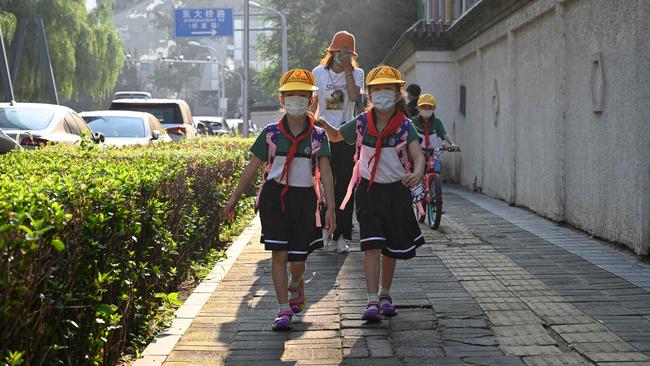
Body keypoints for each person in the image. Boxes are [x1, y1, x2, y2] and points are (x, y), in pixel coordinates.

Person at [225, 69, 336, 331]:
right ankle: (283, 309)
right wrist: (234, 197)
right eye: (291, 94)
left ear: (311, 99)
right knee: (279, 253)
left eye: (302, 95)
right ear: (281, 99)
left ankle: (296, 284)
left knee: (298, 259)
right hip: (274, 198)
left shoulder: (318, 136)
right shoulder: (271, 134)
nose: (296, 99)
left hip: (305, 199)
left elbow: (327, 173)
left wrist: (331, 207)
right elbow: (252, 167)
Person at [315, 65, 425, 322]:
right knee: (372, 245)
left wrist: (417, 174)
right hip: (368, 191)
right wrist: (321, 124)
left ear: (398, 95)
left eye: (388, 89)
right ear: (370, 94)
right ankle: (372, 300)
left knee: (390, 248)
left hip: (397, 193)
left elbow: (417, 156)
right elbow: (337, 137)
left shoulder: (405, 126)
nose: (383, 94)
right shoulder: (362, 122)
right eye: (378, 90)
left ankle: (386, 294)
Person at [311, 31, 365, 253]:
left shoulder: (358, 72)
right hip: (322, 133)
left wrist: (348, 72)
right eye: (339, 52)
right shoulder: (318, 73)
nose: (343, 56)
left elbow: (353, 97)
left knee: (344, 186)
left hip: (345, 134)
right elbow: (313, 102)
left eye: (347, 53)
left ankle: (341, 235)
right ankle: (323, 228)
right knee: (323, 184)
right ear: (331, 52)